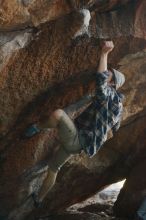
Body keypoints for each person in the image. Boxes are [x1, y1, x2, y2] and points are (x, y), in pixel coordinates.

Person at [26, 41, 125, 206]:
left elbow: (100, 81)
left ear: (114, 84)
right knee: (53, 168)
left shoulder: (111, 97)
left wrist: (104, 54)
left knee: (58, 114)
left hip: (78, 139)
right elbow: (116, 127)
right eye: (108, 72)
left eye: (110, 75)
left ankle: (36, 128)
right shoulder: (117, 106)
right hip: (79, 144)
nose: (107, 73)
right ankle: (39, 199)